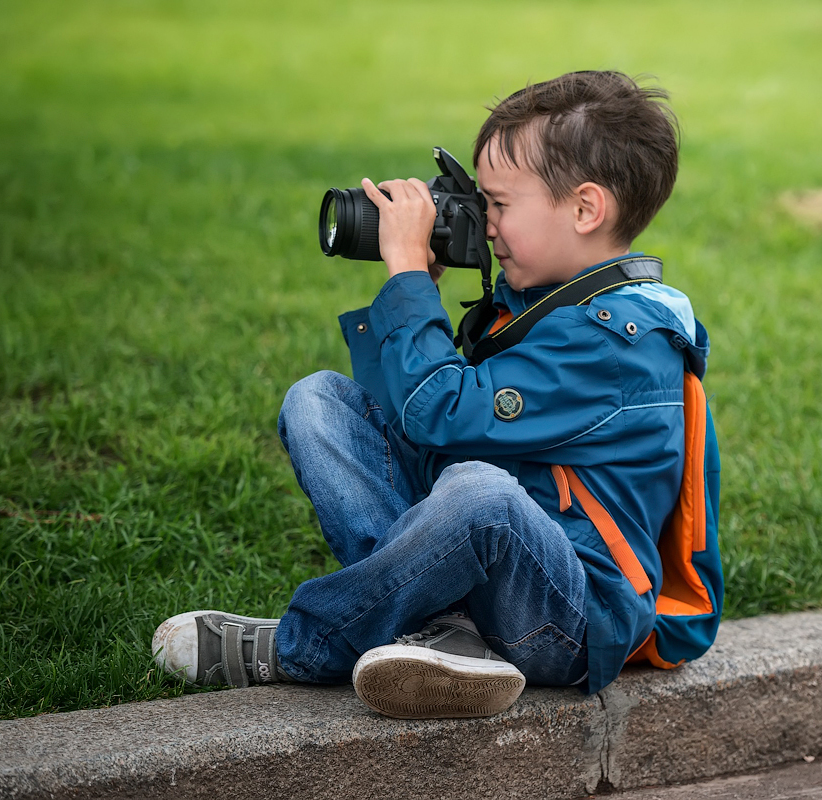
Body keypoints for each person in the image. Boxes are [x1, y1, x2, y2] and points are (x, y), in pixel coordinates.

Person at [152, 70, 709, 719]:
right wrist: (419, 288)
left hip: (571, 613)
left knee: (482, 495)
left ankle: (308, 644)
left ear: (586, 209)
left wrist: (411, 280)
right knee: (319, 403)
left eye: (499, 204)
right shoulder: (536, 302)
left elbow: (440, 413)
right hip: (491, 571)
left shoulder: (613, 342)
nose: (487, 224)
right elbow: (416, 423)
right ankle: (440, 629)